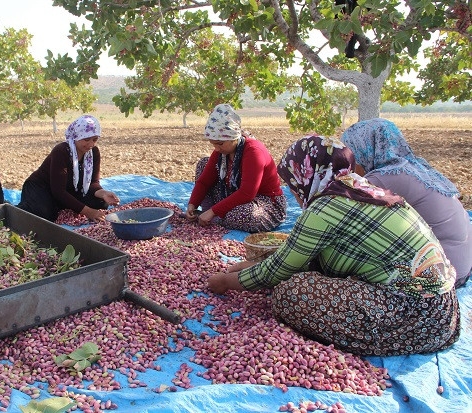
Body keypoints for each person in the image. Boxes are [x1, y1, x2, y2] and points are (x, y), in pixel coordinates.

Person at [207, 135, 460, 356]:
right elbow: (305, 255)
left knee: (291, 292)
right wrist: (252, 266)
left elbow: (279, 271)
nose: (293, 193)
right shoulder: (363, 189)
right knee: (303, 275)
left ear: (306, 175)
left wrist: (226, 282)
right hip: (446, 309)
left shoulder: (326, 207)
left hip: (417, 318)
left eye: (292, 184)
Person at [341, 118, 472, 288]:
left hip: (441, 279)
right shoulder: (414, 168)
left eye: (350, 156)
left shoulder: (384, 178)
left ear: (364, 150)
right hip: (462, 268)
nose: (349, 164)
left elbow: (340, 214)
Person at [185, 104, 287, 233]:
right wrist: (192, 204)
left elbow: (247, 193)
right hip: (233, 194)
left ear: (233, 137)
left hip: (264, 203)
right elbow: (204, 182)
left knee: (244, 214)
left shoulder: (253, 151)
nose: (216, 149)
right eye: (213, 144)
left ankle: (210, 216)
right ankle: (207, 214)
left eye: (220, 144)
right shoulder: (221, 152)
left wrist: (213, 211)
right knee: (203, 164)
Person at [17, 114, 120, 222]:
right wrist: (89, 212)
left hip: (70, 189)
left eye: (94, 140)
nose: (91, 144)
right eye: (86, 139)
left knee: (101, 202)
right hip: (42, 188)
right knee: (45, 214)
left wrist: (103, 193)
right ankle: (18, 207)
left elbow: (92, 183)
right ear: (77, 136)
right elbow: (58, 191)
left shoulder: (93, 152)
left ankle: (61, 205)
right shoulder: (62, 151)